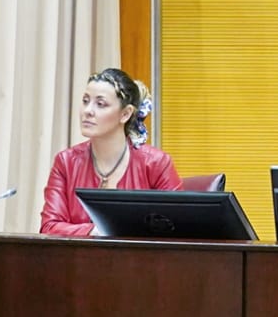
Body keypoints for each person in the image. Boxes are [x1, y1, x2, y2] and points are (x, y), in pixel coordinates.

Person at [40, 67, 181, 236]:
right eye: (85, 101)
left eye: (100, 104)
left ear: (125, 114)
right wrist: (96, 231)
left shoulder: (156, 163)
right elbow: (49, 227)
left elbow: (178, 229)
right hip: (80, 253)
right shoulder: (66, 162)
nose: (88, 111)